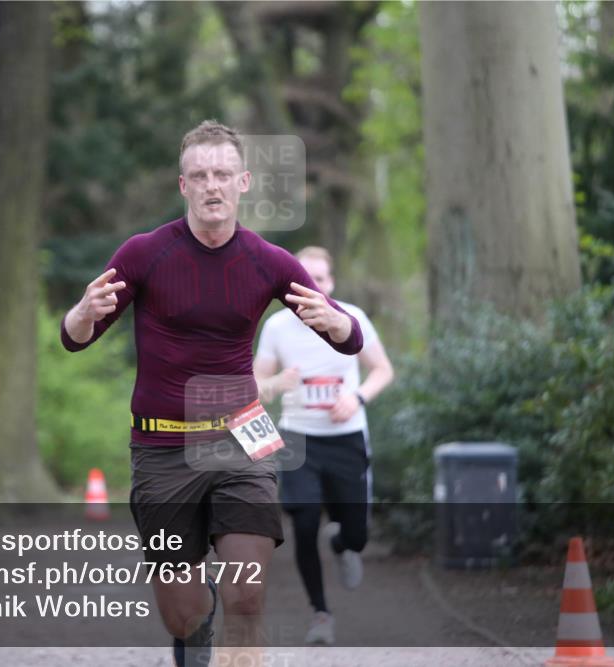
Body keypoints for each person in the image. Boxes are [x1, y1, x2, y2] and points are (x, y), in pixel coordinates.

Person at [60, 121, 363, 666]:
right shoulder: (144, 253)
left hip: (243, 435)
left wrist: (337, 323)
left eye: (223, 174)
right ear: (184, 185)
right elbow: (75, 337)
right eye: (199, 176)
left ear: (243, 182)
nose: (212, 186)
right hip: (162, 445)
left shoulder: (268, 260)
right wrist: (82, 313)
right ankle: (198, 622)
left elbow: (350, 337)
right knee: (184, 616)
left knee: (246, 593)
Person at [253, 246, 394, 646]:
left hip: (347, 438)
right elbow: (256, 385)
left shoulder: (352, 317)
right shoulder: (277, 327)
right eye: (305, 278)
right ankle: (320, 614)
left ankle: (342, 543)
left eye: (321, 278)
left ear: (331, 283)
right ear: (292, 285)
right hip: (298, 439)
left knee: (357, 534)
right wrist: (277, 383)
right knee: (304, 524)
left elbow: (382, 369)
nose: (313, 285)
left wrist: (358, 398)